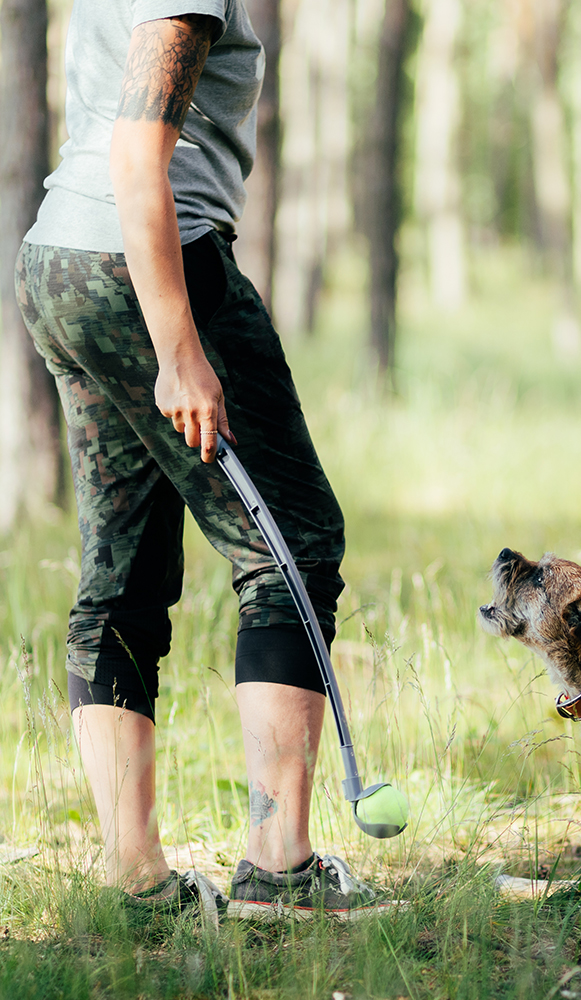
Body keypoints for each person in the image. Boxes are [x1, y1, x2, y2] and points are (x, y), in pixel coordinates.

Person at [17, 0, 385, 921]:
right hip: (146, 260)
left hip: (61, 261)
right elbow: (142, 150)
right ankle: (280, 871)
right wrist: (180, 349)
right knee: (290, 546)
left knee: (123, 574)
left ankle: (138, 885)